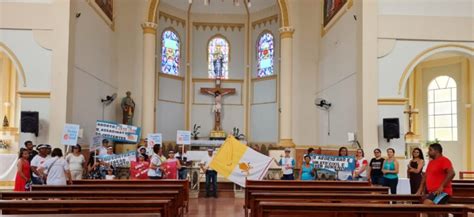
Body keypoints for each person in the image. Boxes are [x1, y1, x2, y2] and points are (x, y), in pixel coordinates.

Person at [416, 143, 455, 209]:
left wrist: (441, 186)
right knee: (426, 206)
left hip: (443, 192)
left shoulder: (444, 160)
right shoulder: (431, 162)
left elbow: (451, 173)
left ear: (436, 151)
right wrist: (420, 189)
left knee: (427, 204)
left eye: (430, 150)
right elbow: (425, 175)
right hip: (433, 192)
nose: (428, 152)